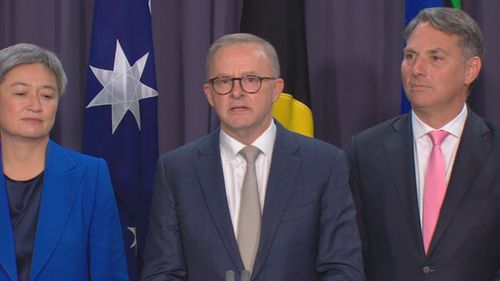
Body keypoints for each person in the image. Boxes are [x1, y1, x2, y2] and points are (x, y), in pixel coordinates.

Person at [141, 33, 364, 281]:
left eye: (251, 79)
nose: (237, 92)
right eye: (224, 81)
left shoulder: (325, 164)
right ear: (209, 93)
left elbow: (343, 270)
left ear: (276, 89)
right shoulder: (176, 170)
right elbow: (162, 272)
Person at [346, 7, 500, 281]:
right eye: (410, 56)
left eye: (435, 58)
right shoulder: (364, 151)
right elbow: (351, 255)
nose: (416, 70)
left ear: (471, 70)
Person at [0, 43, 128, 281]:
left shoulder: (91, 175)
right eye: (20, 93)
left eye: (47, 95)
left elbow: (109, 273)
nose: (35, 106)